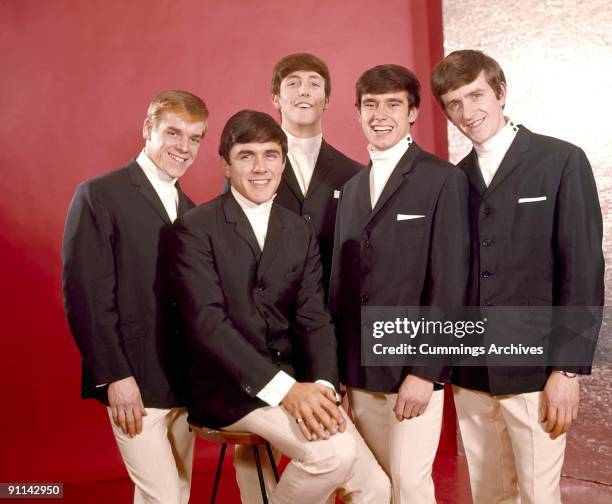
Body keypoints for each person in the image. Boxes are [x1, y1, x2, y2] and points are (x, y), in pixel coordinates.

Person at [172, 110, 390, 504]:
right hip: (227, 388)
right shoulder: (194, 228)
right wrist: (287, 391)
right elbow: (208, 324)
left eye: (271, 155)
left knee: (376, 488)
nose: (260, 168)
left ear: (283, 161)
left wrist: (323, 386)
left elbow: (314, 318)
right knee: (333, 456)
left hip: (298, 382)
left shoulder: (298, 229)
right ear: (225, 163)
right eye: (246, 156)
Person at [431, 49, 604, 503]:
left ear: (501, 92)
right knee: (488, 495)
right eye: (454, 103)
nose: (468, 113)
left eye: (476, 95)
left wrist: (567, 369)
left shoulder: (561, 161)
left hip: (535, 370)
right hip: (471, 373)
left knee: (537, 496)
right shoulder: (453, 180)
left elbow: (583, 269)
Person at [329, 64, 470, 503]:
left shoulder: (443, 179)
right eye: (370, 105)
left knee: (409, 486)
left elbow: (451, 281)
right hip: (360, 373)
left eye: (393, 104)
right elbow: (341, 286)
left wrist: (426, 373)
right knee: (376, 486)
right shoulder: (351, 189)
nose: (380, 114)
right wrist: (336, 373)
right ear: (357, 112)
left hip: (412, 371)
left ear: (412, 113)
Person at [62, 90, 208, 504]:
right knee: (162, 495)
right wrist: (114, 377)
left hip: (182, 381)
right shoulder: (99, 195)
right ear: (148, 129)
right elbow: (84, 294)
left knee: (175, 493)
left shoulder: (191, 209)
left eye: (195, 138)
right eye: (174, 133)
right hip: (133, 381)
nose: (184, 147)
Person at [271, 53, 362, 296]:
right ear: (276, 99)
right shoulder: (249, 169)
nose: (304, 91)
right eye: (293, 83)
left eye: (314, 83)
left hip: (332, 315)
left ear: (327, 99)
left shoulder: (355, 174)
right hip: (267, 317)